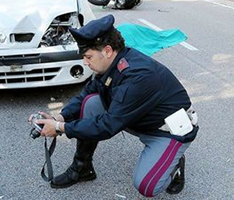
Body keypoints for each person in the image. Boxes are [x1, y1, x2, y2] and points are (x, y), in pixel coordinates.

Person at [30, 14, 199, 197]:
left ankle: (175, 163)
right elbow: (88, 92)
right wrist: (59, 117)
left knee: (147, 186)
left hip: (167, 130)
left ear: (108, 50)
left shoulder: (138, 76)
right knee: (90, 102)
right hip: (139, 117)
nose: (85, 62)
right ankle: (82, 168)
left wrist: (59, 128)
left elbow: (107, 126)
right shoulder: (113, 63)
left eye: (88, 57)